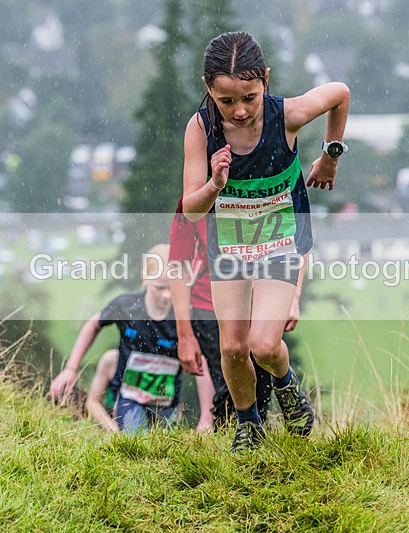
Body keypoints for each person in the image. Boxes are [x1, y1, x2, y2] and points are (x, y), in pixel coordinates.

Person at [182, 31, 350, 451]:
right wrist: (215, 185)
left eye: (250, 98)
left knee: (262, 344)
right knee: (234, 348)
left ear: (266, 82)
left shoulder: (287, 116)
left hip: (281, 242)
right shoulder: (201, 129)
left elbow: (339, 93)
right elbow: (191, 209)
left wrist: (330, 155)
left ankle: (287, 385)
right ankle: (249, 426)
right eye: (226, 101)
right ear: (208, 89)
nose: (239, 111)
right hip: (232, 247)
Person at [169, 197, 278, 431]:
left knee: (262, 387)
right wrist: (185, 335)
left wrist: (290, 299)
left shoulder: (263, 187)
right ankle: (230, 440)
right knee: (229, 389)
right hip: (209, 308)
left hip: (259, 303)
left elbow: (291, 245)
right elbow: (178, 263)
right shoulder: (194, 199)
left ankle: (257, 443)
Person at [49, 244, 181, 432]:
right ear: (144, 277)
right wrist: (71, 368)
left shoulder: (185, 315)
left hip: (164, 406)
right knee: (110, 360)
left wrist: (205, 419)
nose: (167, 295)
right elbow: (93, 324)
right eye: (160, 287)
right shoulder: (126, 306)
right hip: (125, 403)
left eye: (172, 288)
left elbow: (202, 360)